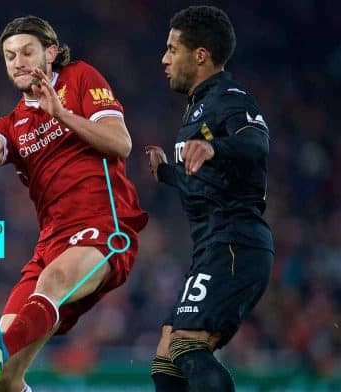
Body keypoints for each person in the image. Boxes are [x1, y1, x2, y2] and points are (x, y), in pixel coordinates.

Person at [0, 15, 147, 391]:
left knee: (52, 281)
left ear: (51, 52)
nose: (19, 62)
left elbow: (121, 142)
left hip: (104, 228)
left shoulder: (79, 78)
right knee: (4, 382)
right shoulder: (14, 123)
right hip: (51, 243)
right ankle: (1, 352)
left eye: (27, 52)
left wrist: (60, 113)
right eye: (10, 56)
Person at [145, 5, 274, 392]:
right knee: (166, 360)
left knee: (186, 344)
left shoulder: (230, 97)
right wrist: (167, 172)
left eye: (172, 49)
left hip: (235, 242)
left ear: (200, 54)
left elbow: (256, 142)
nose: (164, 58)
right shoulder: (198, 106)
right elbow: (207, 181)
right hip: (213, 246)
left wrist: (216, 149)